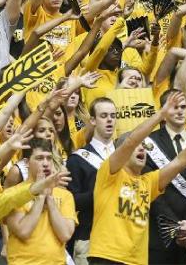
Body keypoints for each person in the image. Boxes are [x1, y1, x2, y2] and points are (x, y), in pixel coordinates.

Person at [86, 91, 186, 265]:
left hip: (138, 260)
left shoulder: (148, 182)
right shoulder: (110, 173)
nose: (142, 149)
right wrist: (160, 115)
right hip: (107, 257)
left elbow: (180, 162)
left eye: (144, 147)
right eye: (138, 147)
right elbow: (130, 141)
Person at [144, 89, 186, 264]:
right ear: (163, 111)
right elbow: (150, 191)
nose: (180, 111)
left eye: (183, 106)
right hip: (160, 235)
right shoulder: (148, 144)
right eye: (175, 107)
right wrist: (176, 227)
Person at [67, 97, 117, 265]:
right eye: (104, 116)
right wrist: (102, 193)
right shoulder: (77, 159)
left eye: (113, 115)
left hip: (122, 237)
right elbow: (71, 201)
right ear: (93, 120)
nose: (109, 120)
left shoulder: (126, 155)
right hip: (90, 237)